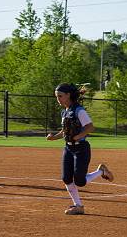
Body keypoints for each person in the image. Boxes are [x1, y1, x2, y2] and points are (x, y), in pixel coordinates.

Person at [47, 83, 114, 215]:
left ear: (68, 95)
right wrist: (53, 137)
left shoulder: (79, 110)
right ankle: (78, 206)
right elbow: (64, 131)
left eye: (60, 96)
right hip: (68, 148)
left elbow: (90, 127)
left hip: (81, 149)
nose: (58, 99)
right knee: (66, 178)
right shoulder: (65, 111)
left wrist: (78, 136)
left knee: (80, 181)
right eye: (56, 97)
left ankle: (101, 171)